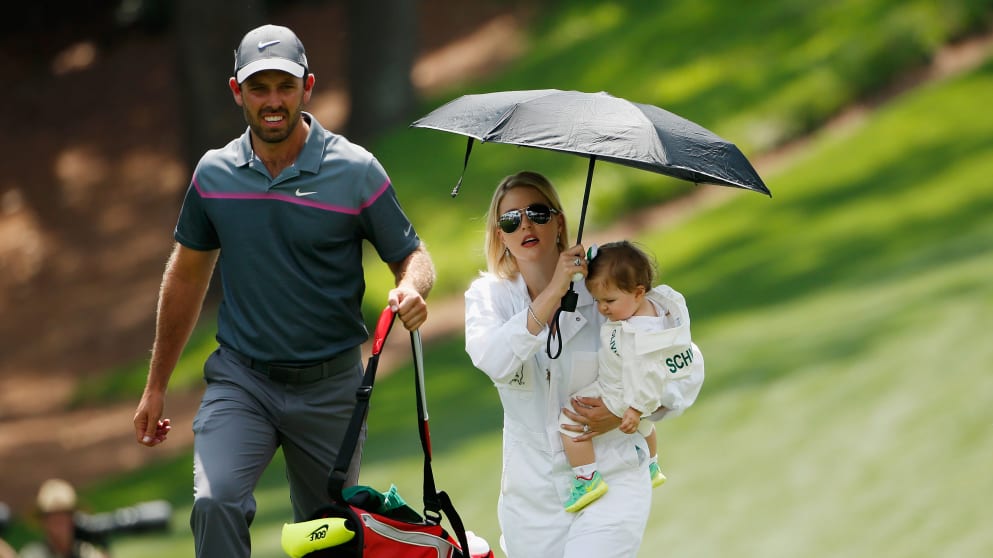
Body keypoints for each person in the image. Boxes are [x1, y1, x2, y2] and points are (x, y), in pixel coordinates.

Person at [131, 24, 435, 558]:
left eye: (285, 87)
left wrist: (411, 287)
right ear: (237, 92)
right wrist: (156, 385)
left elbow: (413, 254)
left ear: (307, 88)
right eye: (259, 88)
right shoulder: (214, 176)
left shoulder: (355, 170)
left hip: (331, 388)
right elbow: (185, 277)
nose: (273, 102)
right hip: (242, 380)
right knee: (215, 500)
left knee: (326, 537)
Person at [463, 171, 703, 557]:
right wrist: (552, 294)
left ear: (559, 222)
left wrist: (632, 408)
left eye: (538, 213)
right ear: (499, 236)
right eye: (511, 219)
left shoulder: (603, 286)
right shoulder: (487, 298)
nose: (526, 224)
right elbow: (494, 360)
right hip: (532, 500)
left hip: (613, 477)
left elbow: (683, 367)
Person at [557, 240, 705, 512]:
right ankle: (651, 464)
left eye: (609, 301)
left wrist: (635, 408)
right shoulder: (653, 309)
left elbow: (647, 375)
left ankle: (587, 478)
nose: (602, 309)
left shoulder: (639, 336)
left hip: (621, 390)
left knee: (569, 418)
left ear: (638, 292)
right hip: (631, 388)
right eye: (598, 300)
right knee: (645, 424)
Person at [18, 479, 109, 558]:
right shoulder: (33, 554)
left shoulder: (85, 551)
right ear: (44, 521)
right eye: (53, 517)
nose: (59, 522)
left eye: (63, 515)